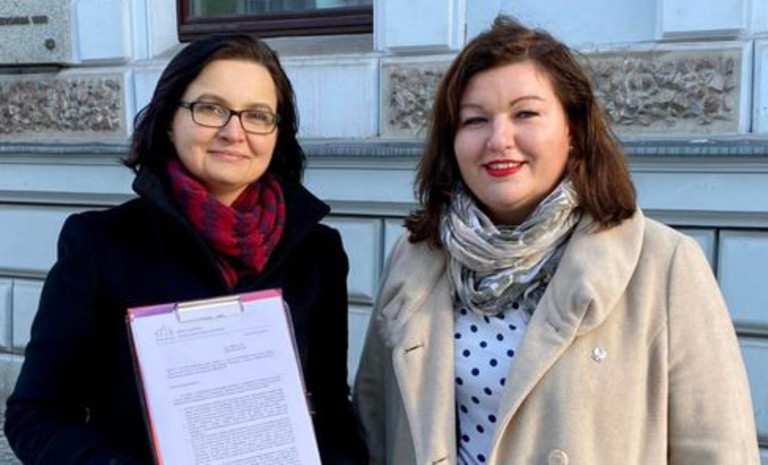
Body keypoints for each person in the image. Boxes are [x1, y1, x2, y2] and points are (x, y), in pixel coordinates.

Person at [353, 16, 759, 465]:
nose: (498, 139)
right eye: (475, 120)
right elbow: (373, 427)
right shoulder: (415, 258)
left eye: (525, 114)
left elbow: (718, 450)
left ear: (574, 131)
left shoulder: (664, 265)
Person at [5, 34, 368, 465]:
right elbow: (35, 415)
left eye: (257, 115)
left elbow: (330, 406)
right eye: (211, 108)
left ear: (277, 134)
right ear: (168, 120)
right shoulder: (100, 244)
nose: (234, 132)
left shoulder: (317, 253)